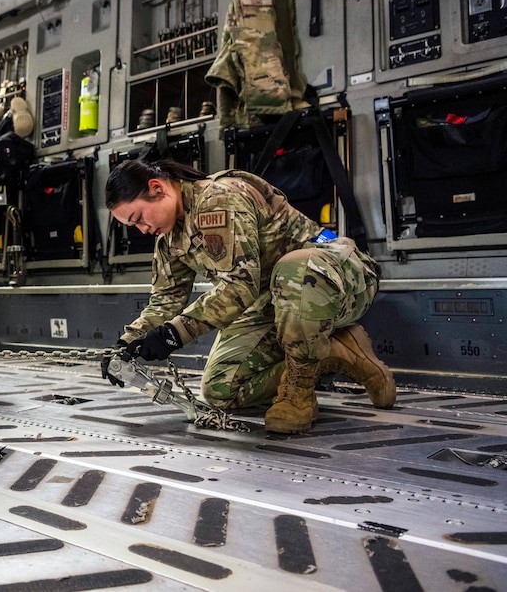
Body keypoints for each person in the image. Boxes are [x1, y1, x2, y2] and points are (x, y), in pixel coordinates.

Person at [100, 158, 395, 435]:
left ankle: (299, 393)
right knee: (221, 390)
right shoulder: (168, 238)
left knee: (294, 269)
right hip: (271, 303)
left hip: (333, 280)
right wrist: (126, 344)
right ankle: (336, 349)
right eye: (133, 226)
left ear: (157, 188)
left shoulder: (217, 198)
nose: (143, 229)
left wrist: (174, 334)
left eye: (138, 218)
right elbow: (165, 299)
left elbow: (240, 285)